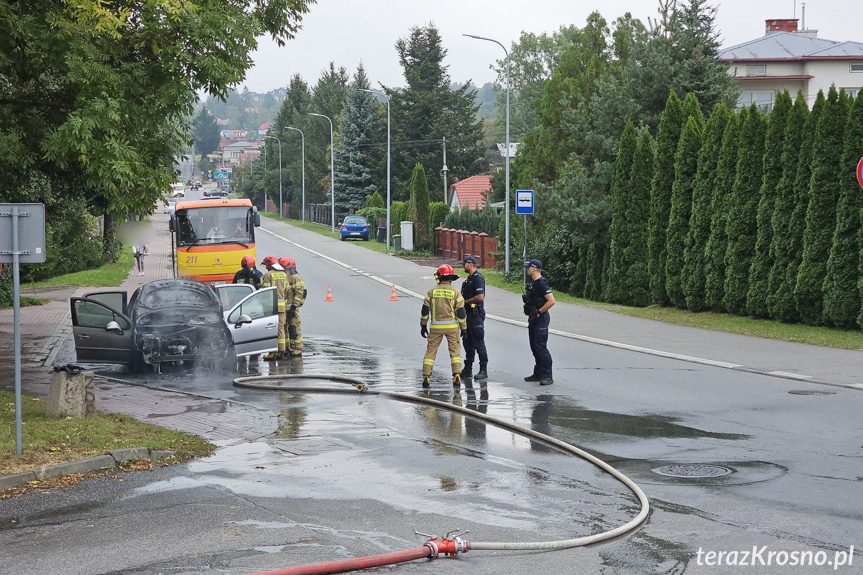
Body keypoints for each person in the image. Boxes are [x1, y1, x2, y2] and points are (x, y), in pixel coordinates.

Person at [420, 264, 467, 387]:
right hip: (452, 328)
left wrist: (423, 325)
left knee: (430, 352)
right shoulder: (456, 293)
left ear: (440, 277)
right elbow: (461, 313)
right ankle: (456, 375)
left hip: (435, 328)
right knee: (455, 352)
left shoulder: (431, 292)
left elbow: (425, 311)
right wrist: (464, 328)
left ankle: (426, 376)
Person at [523, 259, 555, 385]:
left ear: (535, 268)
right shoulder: (533, 283)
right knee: (534, 347)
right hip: (533, 318)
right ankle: (538, 373)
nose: (527, 269)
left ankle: (547, 375)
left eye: (528, 267)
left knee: (541, 348)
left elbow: (551, 301)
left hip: (540, 319)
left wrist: (539, 311)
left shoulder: (542, 283)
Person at [459, 255, 488, 380]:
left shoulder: (477, 278)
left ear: (470, 264)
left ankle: (483, 369)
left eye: (464, 264)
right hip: (468, 315)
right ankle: (468, 368)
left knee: (478, 342)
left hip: (476, 315)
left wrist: (466, 302)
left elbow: (480, 296)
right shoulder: (469, 279)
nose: (463, 266)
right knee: (467, 341)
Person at [260, 255, 288, 360]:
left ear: (269, 265)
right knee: (281, 328)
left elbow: (265, 291)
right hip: (282, 307)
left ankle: (272, 352)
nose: (266, 267)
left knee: (271, 330)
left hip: (271, 307)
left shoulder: (268, 275)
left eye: (266, 265)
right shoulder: (283, 275)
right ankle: (281, 350)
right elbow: (287, 290)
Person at [279, 256, 306, 357]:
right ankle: (288, 348)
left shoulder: (295, 277)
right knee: (286, 329)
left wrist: (294, 307)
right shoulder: (284, 276)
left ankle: (298, 348)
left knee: (295, 328)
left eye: (283, 267)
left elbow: (300, 293)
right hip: (284, 309)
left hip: (292, 309)